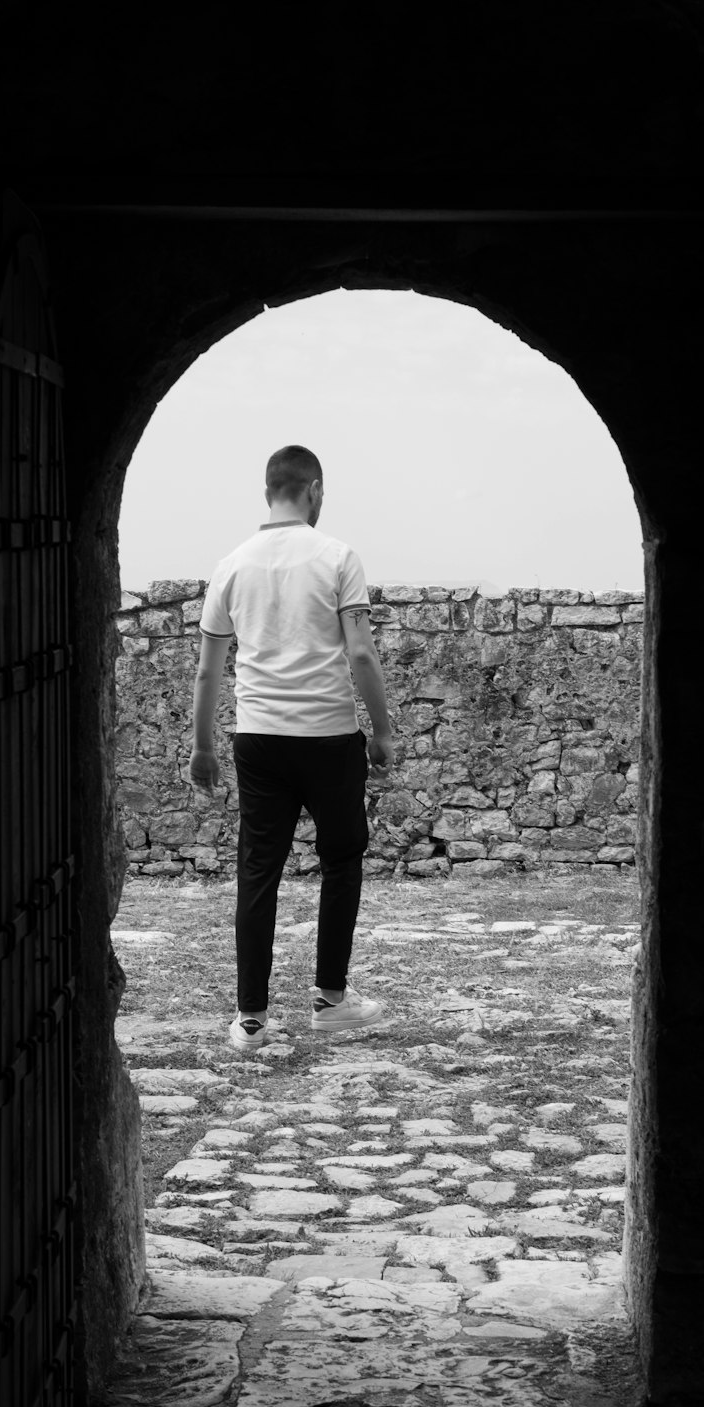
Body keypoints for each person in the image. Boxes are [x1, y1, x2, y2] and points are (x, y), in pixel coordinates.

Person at [188, 445, 395, 1052]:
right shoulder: (337, 557)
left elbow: (208, 672)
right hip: (329, 737)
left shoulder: (231, 565)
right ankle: (331, 999)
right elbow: (359, 652)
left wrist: (204, 748)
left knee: (258, 870)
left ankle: (251, 1018)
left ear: (268, 492)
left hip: (258, 738)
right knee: (341, 860)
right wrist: (381, 733)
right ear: (315, 488)